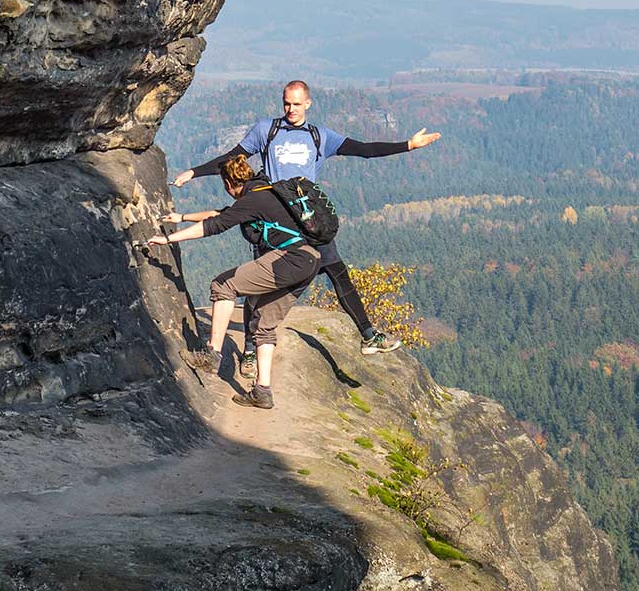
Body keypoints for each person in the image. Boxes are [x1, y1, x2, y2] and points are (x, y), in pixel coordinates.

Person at [172, 79, 440, 374]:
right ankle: (249, 350)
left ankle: (368, 335)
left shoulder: (319, 136)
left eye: (297, 104)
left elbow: (363, 149)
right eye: (287, 103)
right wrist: (194, 172)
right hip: (274, 223)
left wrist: (408, 145)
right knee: (257, 286)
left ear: (308, 104)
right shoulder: (267, 130)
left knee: (338, 273)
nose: (291, 109)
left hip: (309, 220)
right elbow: (231, 158)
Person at [149, 154, 319, 410]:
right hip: (309, 261)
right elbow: (222, 214)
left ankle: (212, 354)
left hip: (289, 259)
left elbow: (216, 225)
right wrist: (182, 217)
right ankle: (262, 392)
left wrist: (168, 239)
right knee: (264, 324)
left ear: (229, 183)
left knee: (223, 285)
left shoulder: (253, 199)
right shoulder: (264, 192)